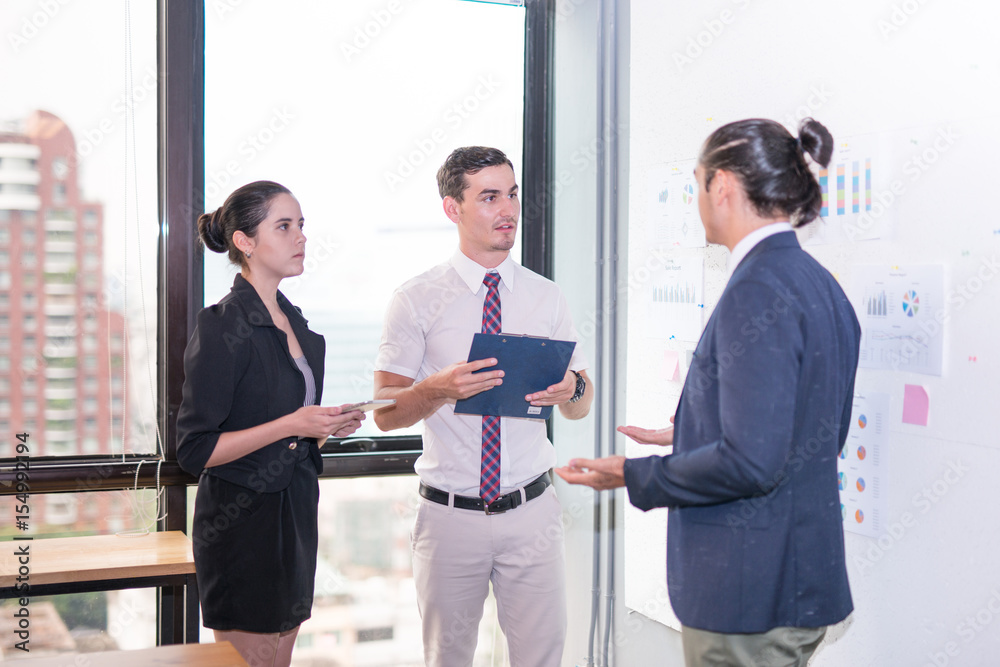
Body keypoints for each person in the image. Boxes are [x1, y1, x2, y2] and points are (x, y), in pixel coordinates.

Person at [557, 118, 860, 667]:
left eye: (696, 184)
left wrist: (632, 473)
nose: (696, 201)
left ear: (722, 187)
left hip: (749, 593)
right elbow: (815, 432)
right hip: (797, 583)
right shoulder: (820, 284)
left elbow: (751, 463)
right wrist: (697, 427)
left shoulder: (758, 288)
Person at [373, 146, 594, 666]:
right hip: (450, 517)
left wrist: (573, 392)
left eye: (512, 194)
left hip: (533, 511)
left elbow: (580, 404)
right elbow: (384, 413)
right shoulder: (415, 299)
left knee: (542, 658)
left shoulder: (547, 297)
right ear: (453, 209)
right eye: (490, 197)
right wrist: (439, 389)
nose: (508, 210)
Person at [176, 181, 364, 667]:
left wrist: (324, 425)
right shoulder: (222, 325)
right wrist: (291, 423)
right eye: (283, 226)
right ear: (245, 241)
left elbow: (287, 426)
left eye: (301, 225)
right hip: (241, 522)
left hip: (295, 512)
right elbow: (196, 449)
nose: (300, 236)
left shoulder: (297, 325)